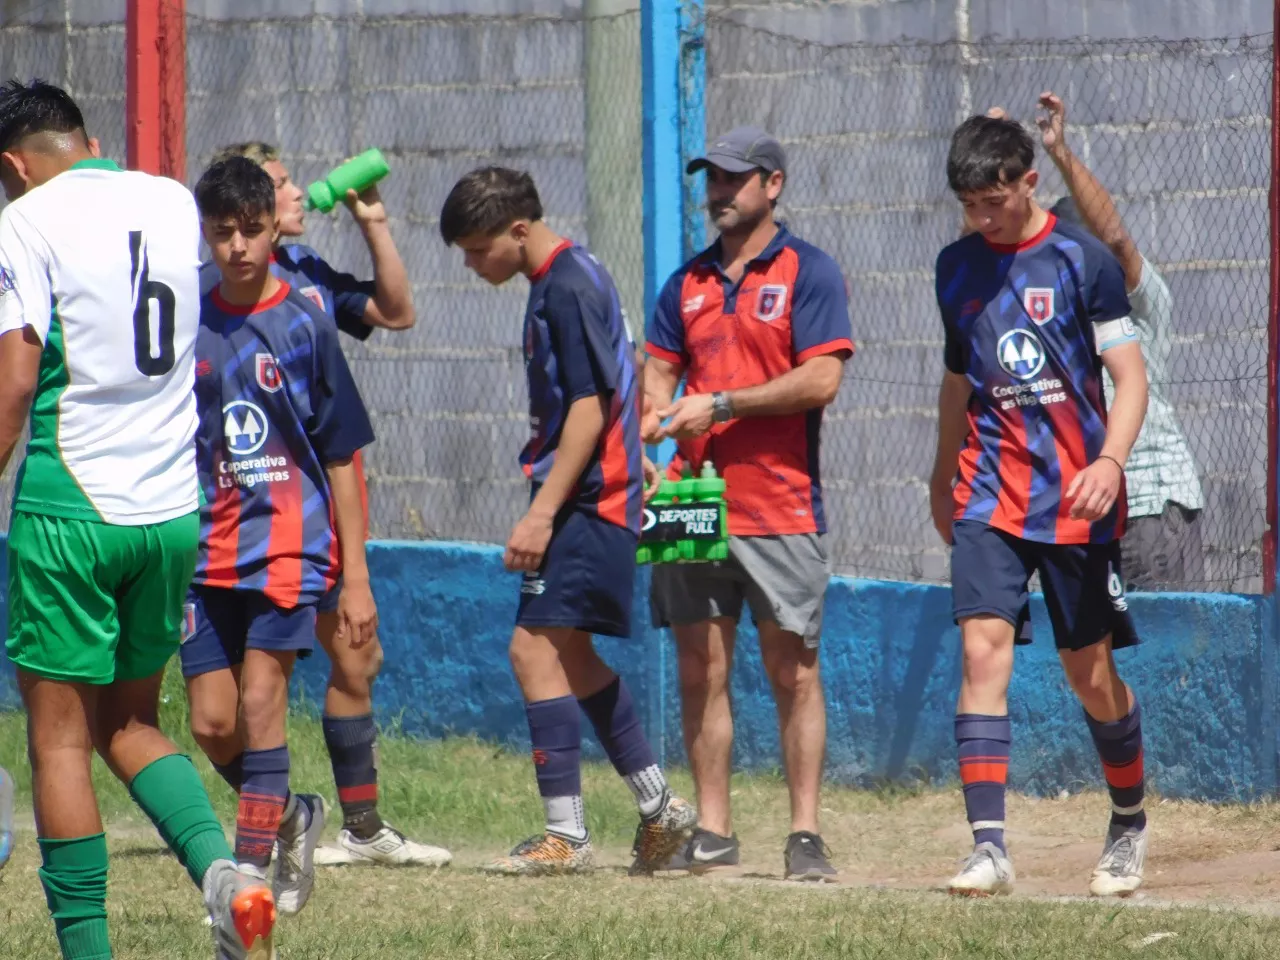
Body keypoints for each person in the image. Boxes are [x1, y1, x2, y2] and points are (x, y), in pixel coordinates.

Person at [0, 80, 275, 960]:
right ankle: (227, 877)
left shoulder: (25, 222)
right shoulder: (168, 199)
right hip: (168, 515)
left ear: (15, 167)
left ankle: (88, 953)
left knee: (59, 739)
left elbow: (14, 383)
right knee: (130, 723)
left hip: (69, 505)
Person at [439, 165, 696, 876]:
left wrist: (542, 514)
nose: (469, 263)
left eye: (475, 247)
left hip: (584, 501)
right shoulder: (571, 275)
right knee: (570, 656)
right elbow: (619, 379)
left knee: (532, 651)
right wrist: (626, 453)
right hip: (598, 488)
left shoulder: (566, 284)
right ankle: (660, 809)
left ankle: (568, 837)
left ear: (518, 230)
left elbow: (588, 405)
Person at [202, 142, 449, 868]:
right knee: (221, 718)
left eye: (276, 198)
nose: (298, 197)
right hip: (216, 539)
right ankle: (286, 814)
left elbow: (397, 312)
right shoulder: (197, 302)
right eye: (281, 187)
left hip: (304, 520)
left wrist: (373, 221)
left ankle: (344, 831)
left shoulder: (305, 288)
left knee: (345, 659)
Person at [929, 113, 1150, 898]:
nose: (984, 220)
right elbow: (960, 381)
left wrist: (1110, 464)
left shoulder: (1082, 261)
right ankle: (988, 847)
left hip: (1075, 502)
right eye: (970, 206)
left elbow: (1131, 377)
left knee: (1088, 675)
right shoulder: (953, 268)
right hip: (990, 494)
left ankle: (1128, 821)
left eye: (996, 202)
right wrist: (939, 476)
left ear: (1029, 182)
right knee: (982, 650)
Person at [642, 125, 853, 881]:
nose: (719, 194)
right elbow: (659, 375)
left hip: (781, 506)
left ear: (774, 184)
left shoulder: (809, 271)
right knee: (699, 668)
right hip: (691, 504)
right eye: (713, 181)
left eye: (734, 180)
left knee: (792, 670)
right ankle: (713, 830)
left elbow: (821, 379)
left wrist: (722, 404)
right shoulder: (687, 282)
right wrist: (652, 440)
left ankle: (804, 835)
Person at [182, 156, 378, 916]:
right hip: (202, 549)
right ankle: (293, 816)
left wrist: (353, 577)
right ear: (206, 231)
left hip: (290, 545)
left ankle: (250, 876)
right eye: (222, 232)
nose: (237, 246)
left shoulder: (305, 322)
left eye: (252, 230)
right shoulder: (184, 317)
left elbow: (341, 457)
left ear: (274, 227)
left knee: (263, 701)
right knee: (213, 721)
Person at [1030, 94, 1204, 591]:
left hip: (1148, 502)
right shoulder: (1053, 314)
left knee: (1164, 658)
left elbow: (1118, 238)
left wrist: (1060, 154)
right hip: (1088, 511)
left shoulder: (1134, 292)